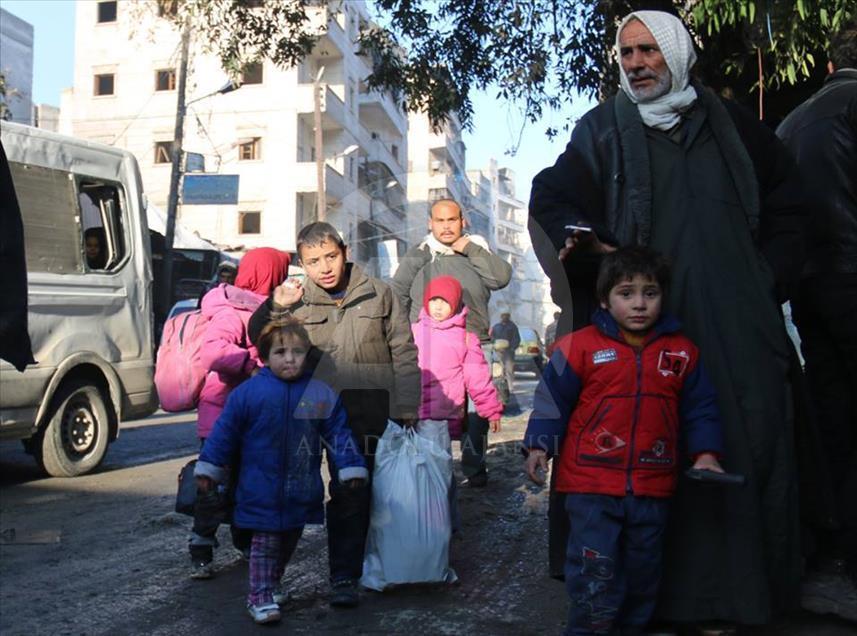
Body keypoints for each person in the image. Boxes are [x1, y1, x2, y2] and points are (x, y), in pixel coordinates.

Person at [528, 10, 807, 626]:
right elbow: (555, 196)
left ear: (677, 53)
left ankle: (739, 600)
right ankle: (646, 605)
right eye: (626, 53)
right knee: (647, 451)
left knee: (737, 444)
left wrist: (765, 279)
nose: (636, 63)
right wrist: (581, 239)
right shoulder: (602, 130)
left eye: (648, 50)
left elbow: (790, 203)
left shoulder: (732, 124)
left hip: (736, 321)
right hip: (644, 326)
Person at [524, 246, 724, 635]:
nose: (639, 304)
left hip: (653, 486)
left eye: (649, 293)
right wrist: (538, 446)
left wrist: (706, 454)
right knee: (595, 575)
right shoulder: (576, 347)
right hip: (590, 488)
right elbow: (551, 402)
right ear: (605, 299)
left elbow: (701, 408)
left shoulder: (683, 352)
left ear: (662, 297)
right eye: (626, 293)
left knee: (642, 574)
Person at [248, 222, 420, 608]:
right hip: (309, 413)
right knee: (293, 493)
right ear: (302, 264)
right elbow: (259, 338)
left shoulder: (380, 294)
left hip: (367, 411)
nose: (324, 267)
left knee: (354, 494)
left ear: (345, 251)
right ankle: (268, 578)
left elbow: (404, 352)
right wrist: (276, 304)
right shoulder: (296, 301)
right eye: (313, 261)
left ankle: (346, 576)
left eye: (330, 256)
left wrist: (407, 404)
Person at [194, 318, 368, 624]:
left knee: (287, 542)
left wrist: (350, 465)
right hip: (260, 486)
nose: (290, 358)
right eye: (281, 352)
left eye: (297, 352)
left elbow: (338, 433)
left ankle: (270, 586)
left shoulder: (317, 394)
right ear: (264, 356)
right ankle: (258, 596)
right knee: (266, 544)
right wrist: (210, 467)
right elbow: (225, 433)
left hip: (300, 486)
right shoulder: (250, 394)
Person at [777, 21, 857, 585]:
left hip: (809, 287)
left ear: (828, 67)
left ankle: (843, 548)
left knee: (836, 414)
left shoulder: (791, 122)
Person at [391, 198, 512, 487]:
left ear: (462, 222)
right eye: (440, 221)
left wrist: (469, 248)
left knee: (475, 413)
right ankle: (430, 465)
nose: (446, 227)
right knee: (429, 409)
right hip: (429, 345)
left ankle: (473, 466)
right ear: (430, 224)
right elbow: (398, 291)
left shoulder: (475, 251)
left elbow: (501, 278)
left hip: (474, 341)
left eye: (452, 220)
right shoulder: (420, 253)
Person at [189, 247, 290, 579]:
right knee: (214, 483)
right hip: (222, 414)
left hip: (251, 416)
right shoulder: (234, 311)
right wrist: (252, 366)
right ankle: (201, 546)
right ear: (270, 275)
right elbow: (214, 352)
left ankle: (242, 541)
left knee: (245, 482)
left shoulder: (264, 309)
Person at [412, 275, 503, 524]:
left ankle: (443, 523)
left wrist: (490, 410)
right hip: (411, 414)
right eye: (433, 300)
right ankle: (424, 522)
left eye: (444, 301)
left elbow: (478, 378)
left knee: (439, 471)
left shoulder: (465, 339)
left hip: (440, 416)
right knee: (416, 471)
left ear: (455, 303)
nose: (438, 306)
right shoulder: (413, 332)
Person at [490, 312, 520, 393]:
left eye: (507, 315)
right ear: (501, 316)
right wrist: (494, 347)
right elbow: (492, 337)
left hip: (509, 352)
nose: (505, 317)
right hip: (498, 352)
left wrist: (512, 348)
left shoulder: (512, 327)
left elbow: (516, 339)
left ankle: (510, 387)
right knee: (498, 370)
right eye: (503, 315)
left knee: (509, 370)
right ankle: (499, 387)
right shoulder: (496, 327)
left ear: (509, 316)